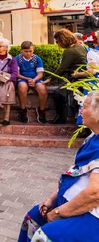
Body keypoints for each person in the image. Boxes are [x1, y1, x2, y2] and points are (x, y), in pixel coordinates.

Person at [18, 92, 99, 242]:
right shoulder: (91, 139)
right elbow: (73, 174)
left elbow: (95, 194)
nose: (80, 110)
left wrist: (58, 212)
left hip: (92, 214)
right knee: (33, 219)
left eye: (85, 107)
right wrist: (50, 200)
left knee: (45, 237)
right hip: (70, 201)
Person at [52, 29, 88, 124]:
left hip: (76, 78)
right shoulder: (79, 46)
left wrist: (49, 79)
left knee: (57, 93)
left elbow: (61, 68)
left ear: (62, 40)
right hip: (82, 77)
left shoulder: (70, 51)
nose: (57, 44)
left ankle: (61, 117)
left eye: (57, 41)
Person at [16, 41, 48, 124]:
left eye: (30, 51)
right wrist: (27, 79)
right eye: (26, 51)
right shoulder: (17, 59)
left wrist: (34, 80)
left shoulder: (37, 59)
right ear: (21, 50)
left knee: (42, 89)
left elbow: (40, 74)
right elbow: (17, 74)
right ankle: (23, 110)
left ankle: (41, 110)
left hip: (35, 79)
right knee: (22, 87)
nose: (28, 53)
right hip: (23, 78)